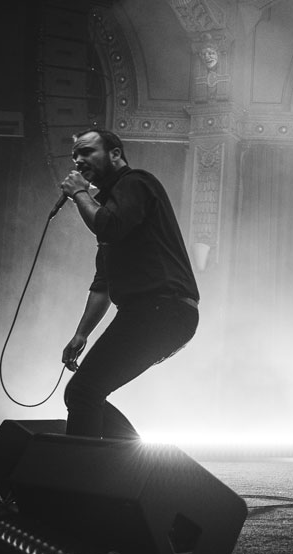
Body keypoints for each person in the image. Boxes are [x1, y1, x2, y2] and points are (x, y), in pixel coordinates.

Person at [58, 128, 200, 439]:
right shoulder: (110, 205)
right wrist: (81, 334)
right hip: (151, 311)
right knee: (83, 392)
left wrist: (80, 193)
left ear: (115, 154)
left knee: (84, 390)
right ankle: (132, 463)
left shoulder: (135, 183)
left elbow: (108, 227)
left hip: (162, 309)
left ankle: (87, 468)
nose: (79, 160)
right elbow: (103, 285)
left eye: (87, 151)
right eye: (75, 155)